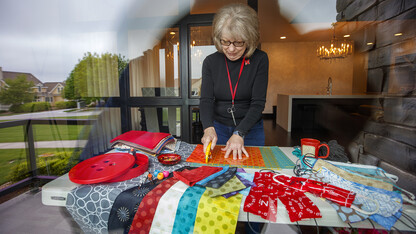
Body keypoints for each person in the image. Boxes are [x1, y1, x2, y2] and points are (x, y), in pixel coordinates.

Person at [200, 3, 269, 160]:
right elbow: (206, 100)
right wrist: (208, 128)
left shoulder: (260, 59)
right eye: (225, 41)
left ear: (250, 39)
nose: (231, 49)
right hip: (219, 129)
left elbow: (258, 103)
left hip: (250, 129)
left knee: (251, 175)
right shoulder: (210, 62)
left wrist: (240, 132)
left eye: (238, 42)